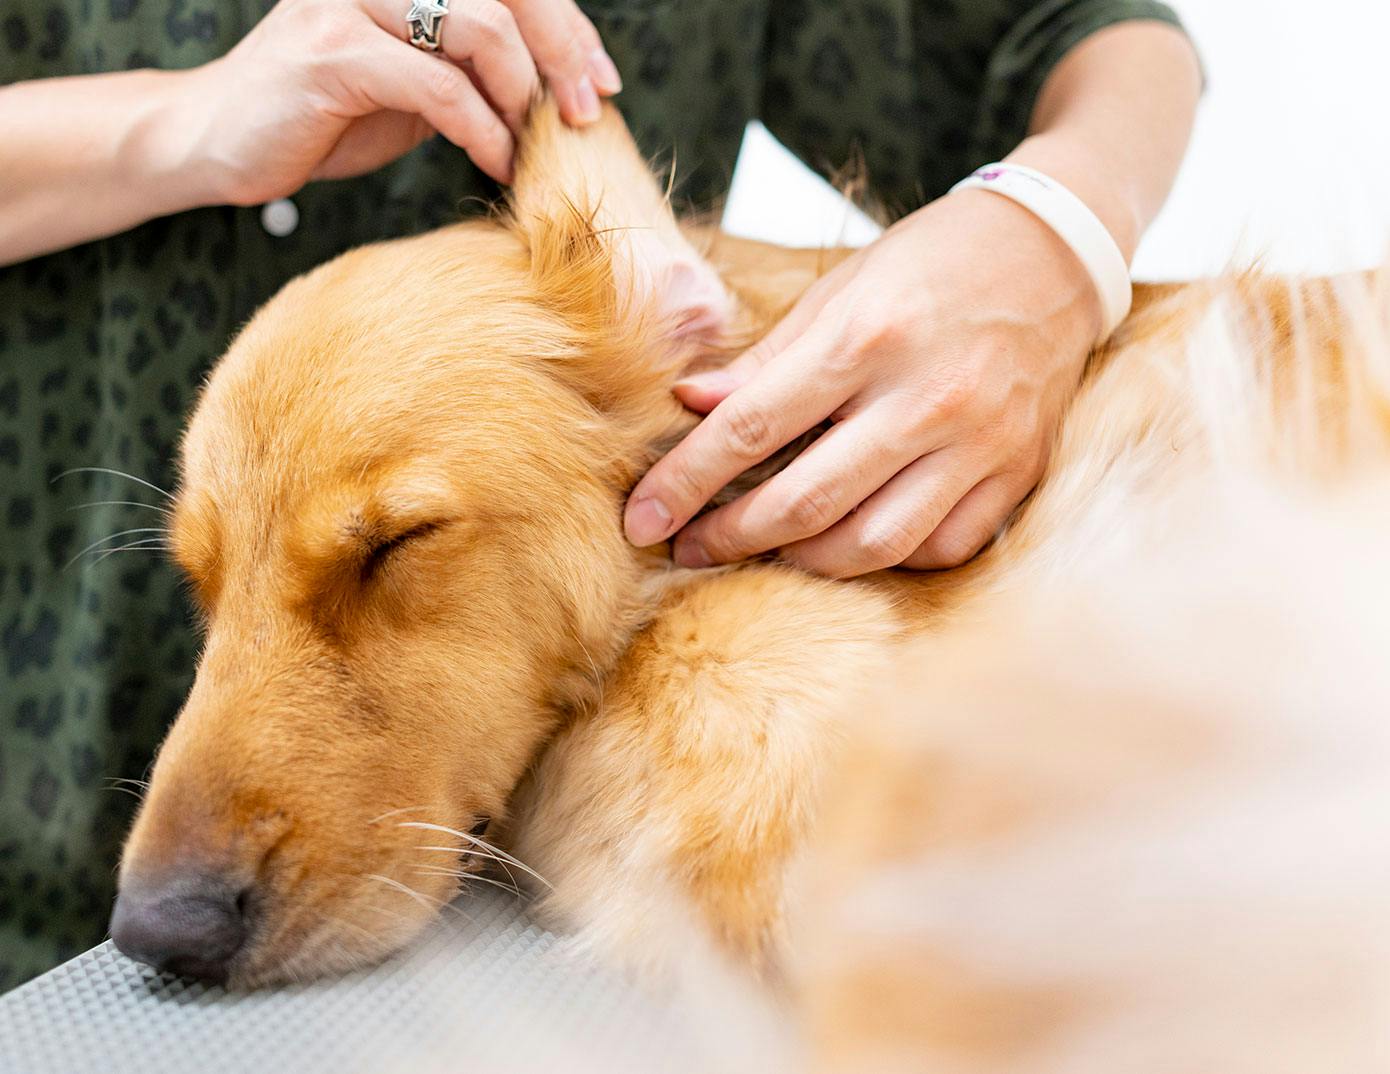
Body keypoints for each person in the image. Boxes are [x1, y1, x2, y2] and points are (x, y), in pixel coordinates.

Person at [0, 0, 1200, 990]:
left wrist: (1051, 230)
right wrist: (171, 124)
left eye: (390, 551)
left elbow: (1081, 33)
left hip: (514, 915)